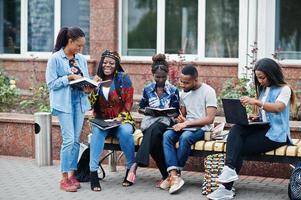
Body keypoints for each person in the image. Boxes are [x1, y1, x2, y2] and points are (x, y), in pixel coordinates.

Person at [207, 58, 296, 200]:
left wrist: (256, 102)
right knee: (237, 128)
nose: (260, 81)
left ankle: (226, 188)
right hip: (264, 128)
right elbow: (265, 113)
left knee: (238, 147)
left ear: (272, 74)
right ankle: (229, 170)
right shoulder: (264, 89)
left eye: (262, 77)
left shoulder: (284, 89)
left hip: (278, 134)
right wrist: (256, 117)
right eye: (258, 78)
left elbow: (278, 108)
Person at [46, 27, 91, 192]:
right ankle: (64, 178)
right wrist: (68, 78)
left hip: (79, 103)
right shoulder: (55, 59)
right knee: (69, 140)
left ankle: (72, 175)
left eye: (82, 46)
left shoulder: (81, 59)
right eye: (78, 45)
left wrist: (90, 86)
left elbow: (84, 80)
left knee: (76, 141)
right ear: (70, 41)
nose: (80, 49)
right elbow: (51, 84)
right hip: (63, 104)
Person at [161, 64, 217, 194]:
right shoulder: (183, 94)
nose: (183, 85)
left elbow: (210, 119)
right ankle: (174, 175)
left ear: (195, 80)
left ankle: (175, 176)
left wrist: (186, 124)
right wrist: (179, 119)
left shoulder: (208, 91)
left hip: (203, 128)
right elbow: (184, 115)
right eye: (181, 81)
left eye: (186, 83)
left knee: (185, 137)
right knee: (167, 135)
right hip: (187, 126)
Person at [126, 54, 180, 187]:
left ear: (167, 75)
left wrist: (168, 112)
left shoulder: (173, 90)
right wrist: (148, 111)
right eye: (157, 77)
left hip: (166, 122)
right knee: (154, 140)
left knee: (155, 130)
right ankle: (165, 175)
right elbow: (141, 108)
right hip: (150, 121)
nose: (160, 79)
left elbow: (177, 111)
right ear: (153, 75)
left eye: (163, 77)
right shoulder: (148, 89)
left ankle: (135, 165)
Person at [89, 50, 135, 191]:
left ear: (116, 65)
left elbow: (128, 101)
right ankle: (93, 173)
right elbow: (90, 104)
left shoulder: (123, 79)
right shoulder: (95, 79)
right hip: (102, 121)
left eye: (111, 63)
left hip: (121, 119)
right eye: (105, 62)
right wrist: (92, 88)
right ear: (101, 64)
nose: (107, 65)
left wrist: (120, 117)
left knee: (126, 132)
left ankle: (130, 169)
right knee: (96, 133)